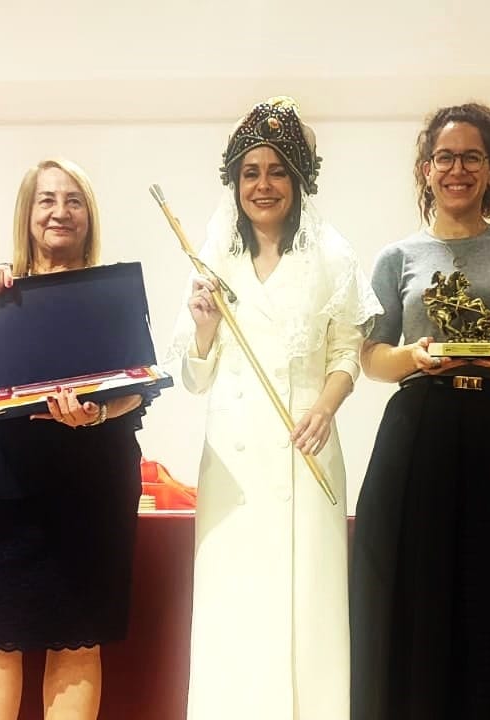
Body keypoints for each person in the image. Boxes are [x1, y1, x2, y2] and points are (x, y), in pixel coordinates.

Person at [350, 102, 490, 719]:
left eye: (471, 158)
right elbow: (372, 357)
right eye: (445, 158)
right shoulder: (396, 258)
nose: (457, 169)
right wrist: (414, 357)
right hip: (419, 432)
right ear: (427, 169)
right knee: (419, 586)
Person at [174, 97, 381, 720]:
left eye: (276, 171)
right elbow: (192, 376)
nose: (263, 186)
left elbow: (347, 352)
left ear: (298, 179)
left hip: (305, 448)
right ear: (235, 182)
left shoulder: (333, 256)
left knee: (307, 605)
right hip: (232, 463)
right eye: (250, 173)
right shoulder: (213, 257)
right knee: (233, 603)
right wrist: (204, 327)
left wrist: (325, 407)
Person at [0, 158, 148, 720]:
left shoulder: (109, 294)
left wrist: (96, 415)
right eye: (47, 200)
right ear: (27, 213)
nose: (60, 212)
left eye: (74, 201)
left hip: (90, 494)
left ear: (89, 216)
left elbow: (137, 388)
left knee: (78, 639)